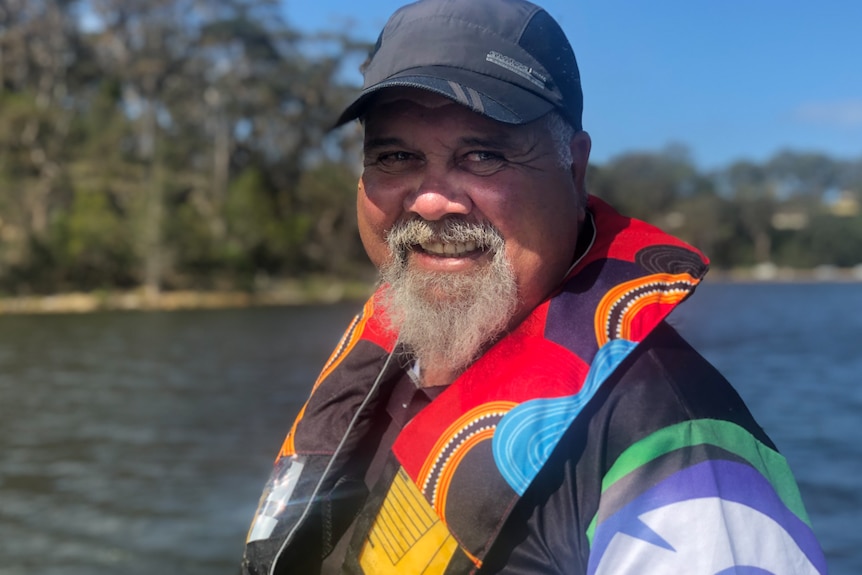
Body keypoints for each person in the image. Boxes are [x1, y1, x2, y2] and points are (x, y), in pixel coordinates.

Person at [241, 0, 827, 573]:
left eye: (483, 155)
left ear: (574, 172)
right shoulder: (392, 367)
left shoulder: (674, 442)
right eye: (395, 156)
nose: (430, 200)